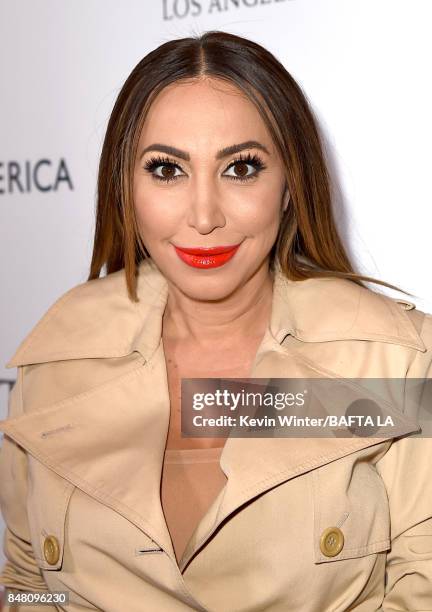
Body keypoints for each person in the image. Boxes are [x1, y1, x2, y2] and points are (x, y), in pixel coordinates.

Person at [0, 30, 431, 612]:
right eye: (167, 170)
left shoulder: (394, 360)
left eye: (241, 168)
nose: (203, 217)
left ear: (289, 185)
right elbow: (27, 583)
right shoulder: (59, 356)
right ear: (125, 185)